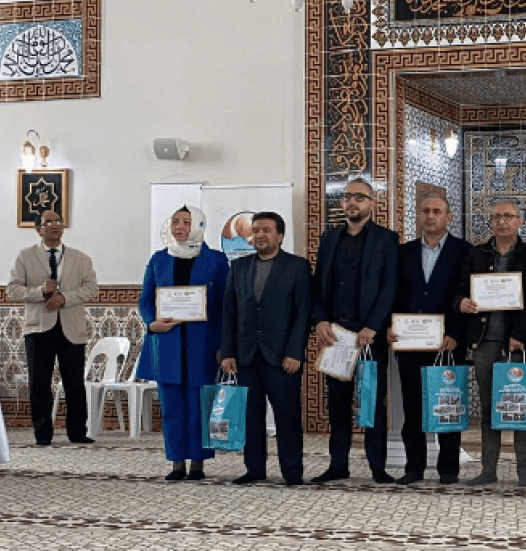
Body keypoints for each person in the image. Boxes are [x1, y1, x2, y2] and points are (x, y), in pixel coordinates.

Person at [310, 178, 400, 485]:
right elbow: (318, 283)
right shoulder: (329, 238)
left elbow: (390, 286)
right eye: (347, 197)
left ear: (372, 204)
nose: (352, 202)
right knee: (337, 403)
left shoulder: (387, 239)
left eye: (359, 197)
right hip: (335, 335)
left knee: (372, 401)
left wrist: (373, 326)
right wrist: (320, 320)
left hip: (369, 337)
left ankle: (377, 466)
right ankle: (338, 465)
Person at [455, 200, 526, 487]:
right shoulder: (476, 253)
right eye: (496, 217)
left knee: (520, 407)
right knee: (488, 409)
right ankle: (488, 469)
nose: (502, 221)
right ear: (490, 222)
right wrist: (461, 302)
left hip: (518, 345)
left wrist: (521, 333)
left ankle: (524, 472)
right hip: (484, 344)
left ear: (520, 221)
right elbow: (459, 288)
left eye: (508, 216)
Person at [137, 207, 230, 481]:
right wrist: (151, 322)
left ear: (199, 225)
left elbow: (225, 305)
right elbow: (145, 300)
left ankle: (198, 464)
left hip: (203, 344)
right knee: (171, 406)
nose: (180, 227)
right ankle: (177, 461)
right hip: (167, 344)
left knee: (200, 405)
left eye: (187, 222)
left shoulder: (216, 260)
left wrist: (223, 345)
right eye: (175, 222)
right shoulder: (158, 260)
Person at [220, 211, 312, 486]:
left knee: (287, 418)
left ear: (280, 236)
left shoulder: (297, 267)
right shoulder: (239, 267)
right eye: (256, 230)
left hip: (282, 357)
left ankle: (292, 472)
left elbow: (302, 313)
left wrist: (295, 352)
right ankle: (254, 469)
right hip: (246, 355)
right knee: (251, 417)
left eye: (267, 230)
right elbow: (229, 312)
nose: (260, 235)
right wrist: (227, 352)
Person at [390, 193, 469, 485]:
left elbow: (466, 296)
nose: (431, 216)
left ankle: (448, 469)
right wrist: (390, 326)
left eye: (437, 211)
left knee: (446, 405)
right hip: (409, 344)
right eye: (426, 211)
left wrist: (456, 334)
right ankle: (414, 468)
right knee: (412, 409)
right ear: (419, 216)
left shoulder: (464, 251)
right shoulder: (404, 252)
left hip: (447, 345)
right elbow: (393, 294)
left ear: (448, 217)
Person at [8, 210, 98, 446]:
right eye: (48, 222)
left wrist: (65, 298)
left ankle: (77, 432)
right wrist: (40, 292)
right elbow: (13, 290)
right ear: (38, 229)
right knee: (39, 383)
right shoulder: (25, 256)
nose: (54, 225)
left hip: (72, 329)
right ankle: (43, 434)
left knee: (74, 383)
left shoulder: (81, 258)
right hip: (38, 329)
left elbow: (91, 289)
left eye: (58, 221)